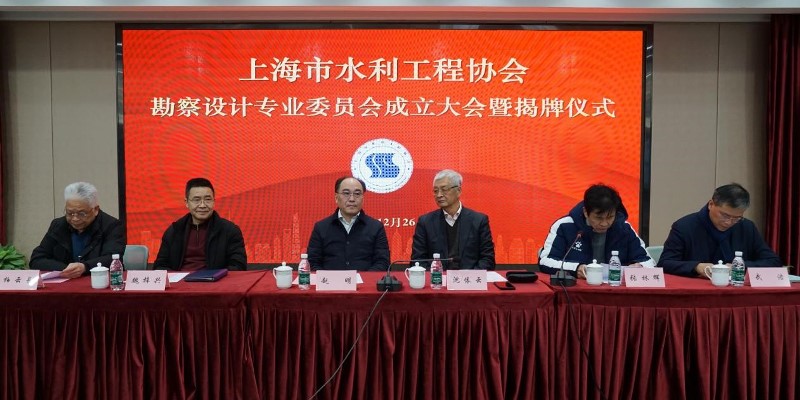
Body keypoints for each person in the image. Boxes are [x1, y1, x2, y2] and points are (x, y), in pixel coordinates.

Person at [658, 183, 781, 277]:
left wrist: (740, 267)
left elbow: (773, 262)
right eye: (725, 215)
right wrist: (696, 267)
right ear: (711, 204)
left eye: (737, 218)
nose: (729, 222)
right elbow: (665, 263)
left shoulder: (746, 227)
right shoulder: (684, 227)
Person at [540, 184, 654, 279]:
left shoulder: (624, 228)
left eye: (610, 217)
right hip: (578, 290)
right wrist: (576, 268)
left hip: (615, 289)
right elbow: (545, 261)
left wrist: (640, 266)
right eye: (599, 218)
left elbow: (649, 262)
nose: (604, 223)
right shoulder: (564, 226)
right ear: (586, 212)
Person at [30, 182, 126, 278]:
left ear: (96, 209)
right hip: (64, 282)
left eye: (82, 214)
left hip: (98, 280)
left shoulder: (111, 225)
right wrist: (67, 269)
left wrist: (85, 267)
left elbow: (113, 259)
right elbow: (37, 259)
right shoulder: (58, 225)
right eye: (69, 213)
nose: (75, 219)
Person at [154, 178, 247, 271]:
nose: (202, 205)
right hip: (180, 280)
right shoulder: (174, 231)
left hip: (214, 279)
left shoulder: (230, 231)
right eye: (196, 200)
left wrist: (216, 276)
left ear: (214, 201)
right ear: (186, 203)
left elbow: (238, 266)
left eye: (208, 199)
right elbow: (160, 266)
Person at [412, 169, 496, 270]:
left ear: (458, 191)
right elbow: (418, 260)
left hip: (470, 278)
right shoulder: (425, 222)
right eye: (435, 191)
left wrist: (469, 277)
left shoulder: (479, 221)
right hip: (437, 279)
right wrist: (436, 276)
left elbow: (487, 259)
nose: (439, 195)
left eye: (444, 189)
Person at [307, 176, 390, 271]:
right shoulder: (321, 227)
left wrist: (363, 278)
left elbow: (383, 262)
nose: (352, 199)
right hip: (329, 280)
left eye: (357, 194)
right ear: (336, 197)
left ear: (363, 198)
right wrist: (328, 278)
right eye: (346, 193)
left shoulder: (376, 227)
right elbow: (312, 262)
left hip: (364, 280)